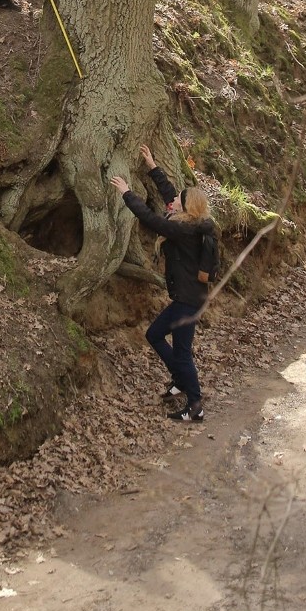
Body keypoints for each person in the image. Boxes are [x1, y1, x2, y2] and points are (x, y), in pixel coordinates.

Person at [109, 144, 219, 423]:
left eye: (179, 201)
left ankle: (195, 404)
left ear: (187, 208)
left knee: (181, 352)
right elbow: (170, 194)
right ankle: (182, 381)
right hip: (187, 298)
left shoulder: (182, 230)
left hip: (187, 301)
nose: (173, 202)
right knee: (155, 335)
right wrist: (152, 165)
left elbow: (150, 219)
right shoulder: (192, 222)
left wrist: (126, 193)